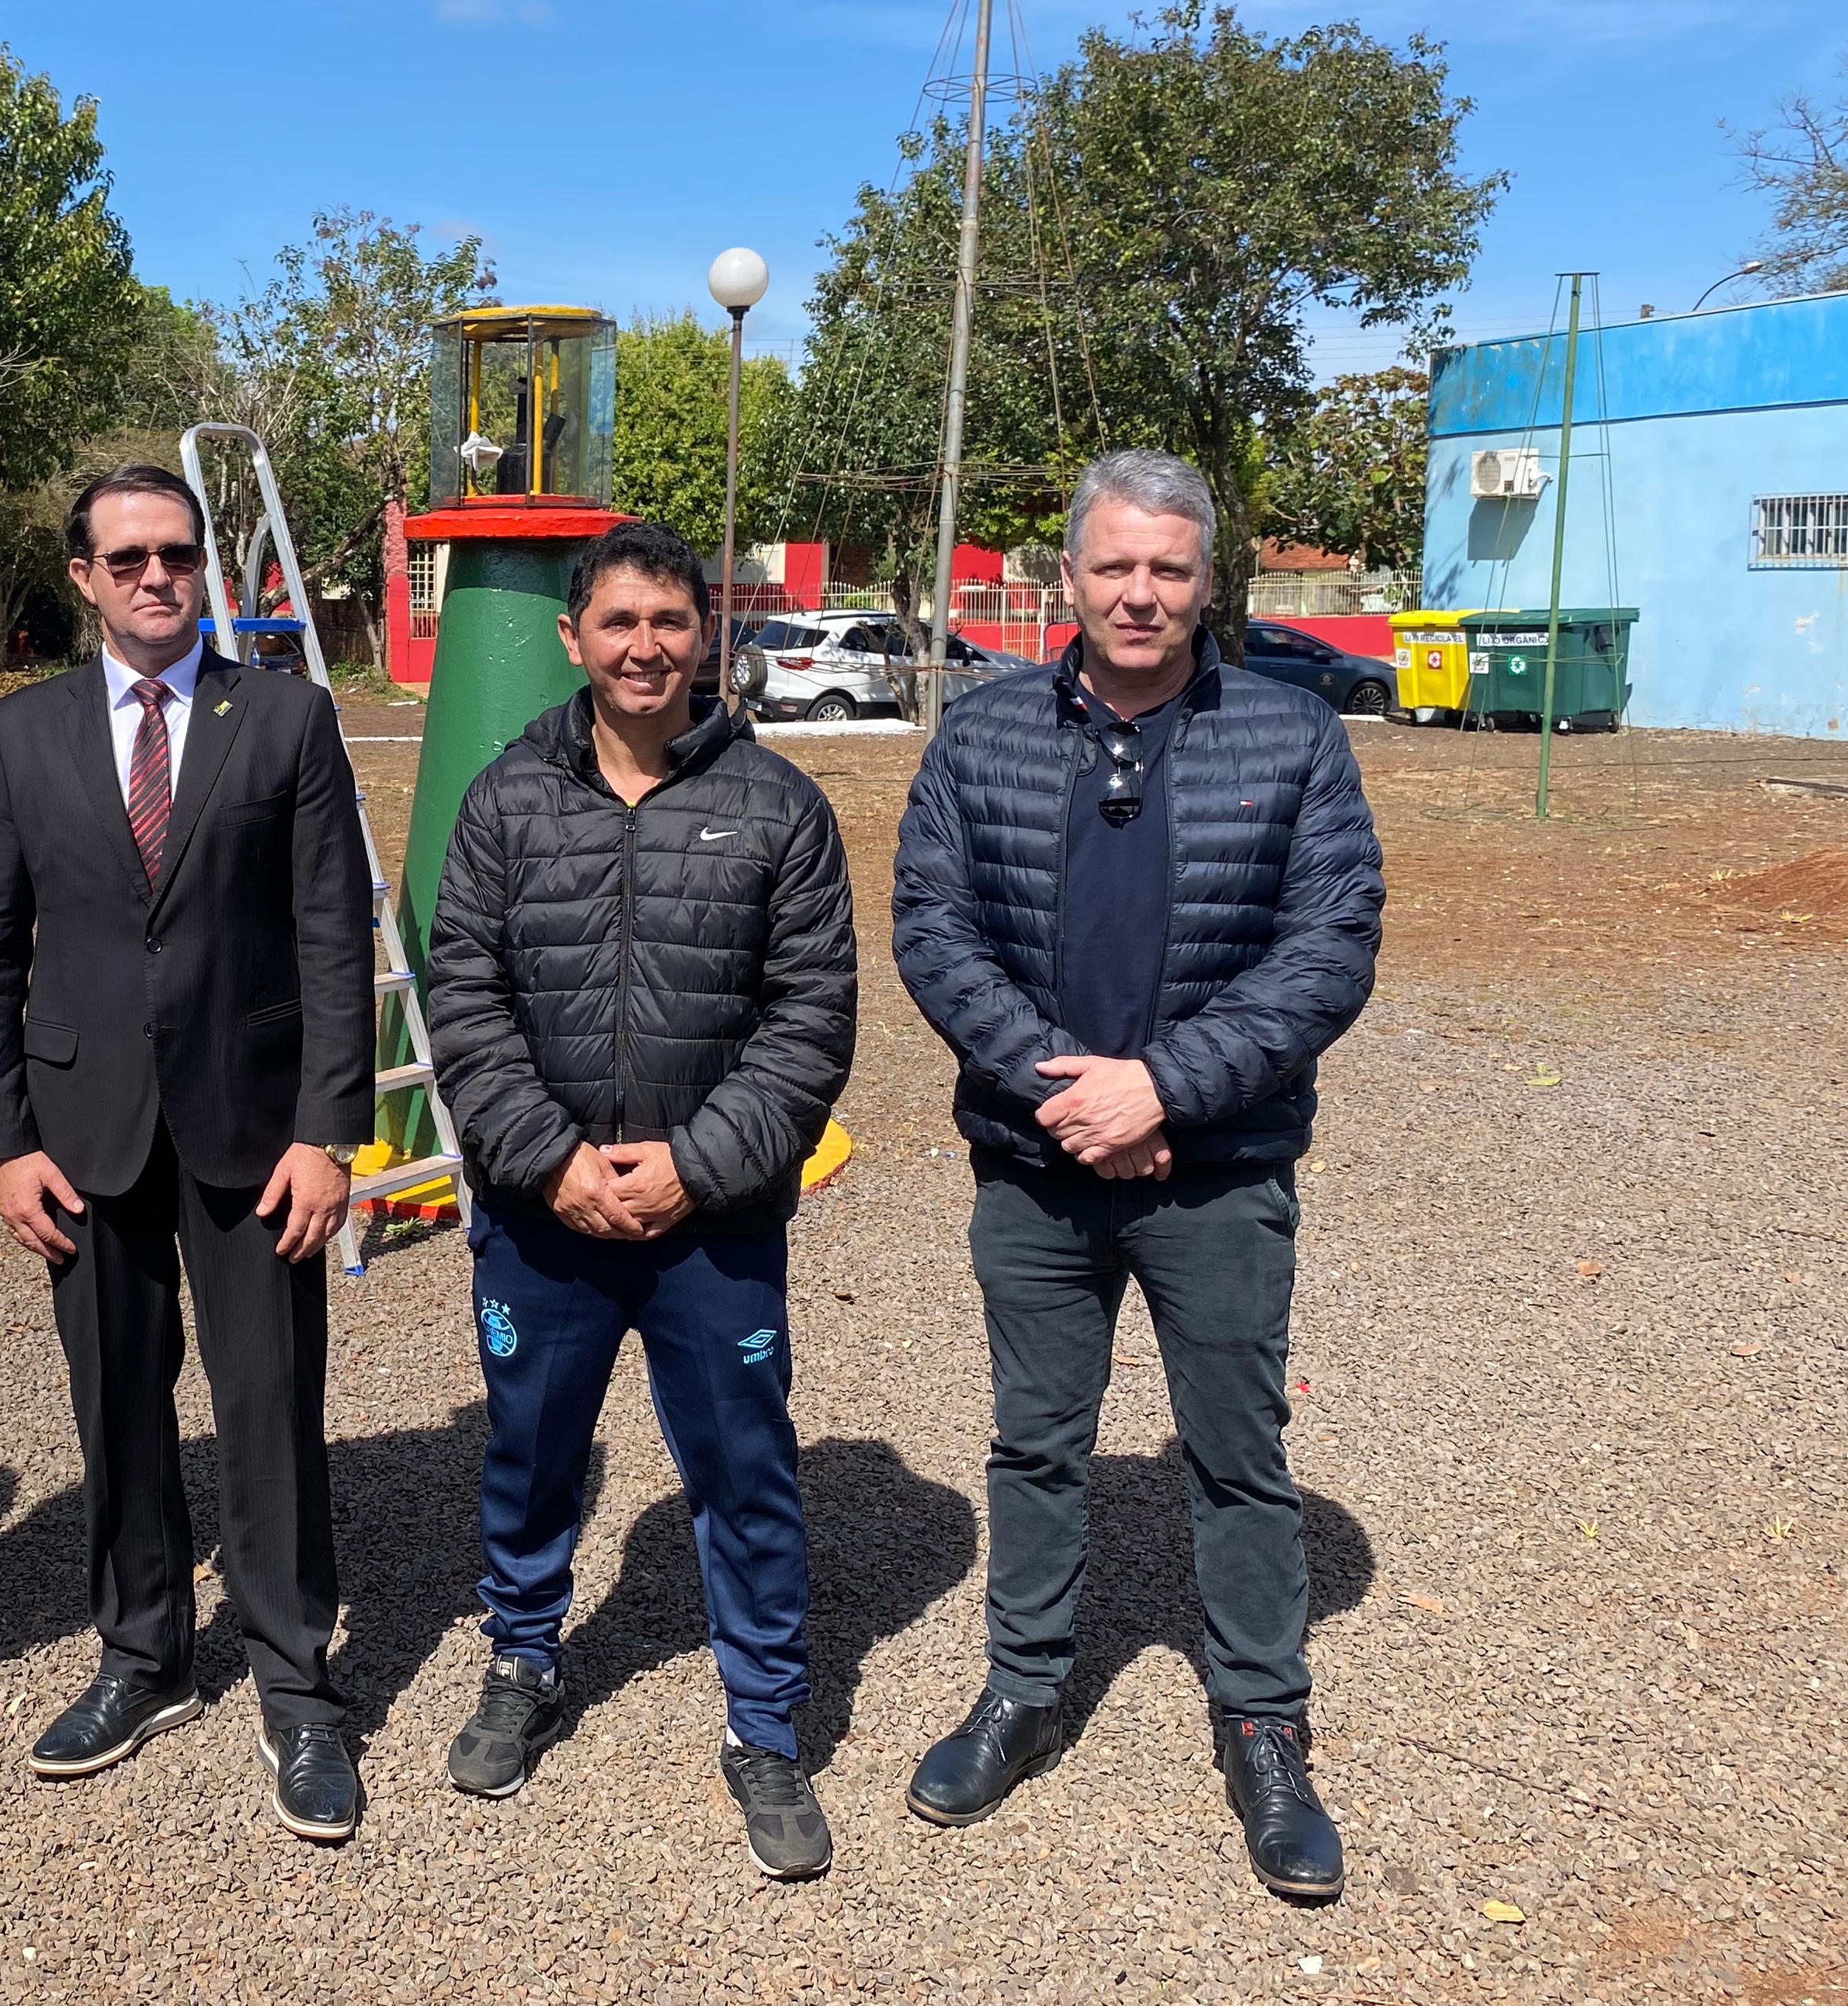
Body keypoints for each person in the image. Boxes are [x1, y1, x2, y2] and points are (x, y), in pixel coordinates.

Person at [890, 449, 1384, 1902]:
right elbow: (932, 927)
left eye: (1169, 568)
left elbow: (1329, 946)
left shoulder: (1293, 736)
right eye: (1115, 565)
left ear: (1207, 581)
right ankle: (1024, 1684)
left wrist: (1164, 1087)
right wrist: (1070, 1094)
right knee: (1035, 1440)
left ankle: (1264, 1721)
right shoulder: (981, 733)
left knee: (1237, 1450)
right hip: (1035, 1167)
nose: (1141, 593)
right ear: (1069, 576)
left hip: (1216, 1171)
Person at [422, 519, 858, 1883]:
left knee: (743, 1467)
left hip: (711, 1220)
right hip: (539, 1212)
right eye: (618, 621)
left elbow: (809, 1017)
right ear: (574, 636)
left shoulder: (778, 806)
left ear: (703, 633)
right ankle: (524, 1657)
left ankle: (765, 1719)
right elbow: (463, 995)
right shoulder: (505, 800)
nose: (644, 646)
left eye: (669, 620)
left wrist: (696, 1163)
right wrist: (547, 1156)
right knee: (530, 1450)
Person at [0, 463, 374, 1843]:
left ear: (206, 567)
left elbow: (332, 932)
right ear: (83, 576)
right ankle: (142, 1658)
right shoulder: (17, 736)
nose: (156, 576)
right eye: (128, 557)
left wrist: (329, 1130)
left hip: (256, 1133)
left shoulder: (287, 717)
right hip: (84, 1136)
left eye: (178, 554)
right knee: (117, 1407)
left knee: (271, 1405)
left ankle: (296, 1682)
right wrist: (3, 1142)